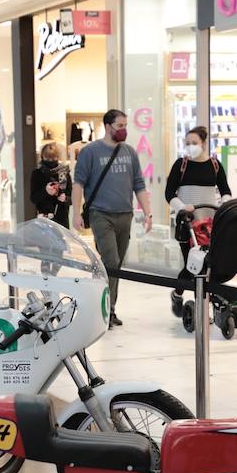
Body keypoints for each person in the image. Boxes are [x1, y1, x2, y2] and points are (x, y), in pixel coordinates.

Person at [72, 109, 153, 327]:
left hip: (125, 215)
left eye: (126, 126)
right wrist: (76, 212)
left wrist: (147, 213)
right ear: (108, 127)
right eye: (120, 126)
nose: (124, 130)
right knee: (111, 261)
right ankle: (105, 311)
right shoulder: (91, 152)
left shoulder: (129, 152)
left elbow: (139, 185)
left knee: (116, 266)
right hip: (100, 214)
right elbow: (78, 183)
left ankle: (109, 307)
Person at [165, 126, 232, 299]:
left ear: (203, 143)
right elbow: (169, 193)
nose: (190, 146)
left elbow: (225, 191)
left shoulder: (215, 165)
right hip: (187, 223)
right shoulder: (181, 165)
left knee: (208, 265)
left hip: (210, 224)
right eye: (187, 143)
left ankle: (203, 305)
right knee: (192, 264)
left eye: (194, 143)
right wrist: (181, 206)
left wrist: (223, 205)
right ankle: (179, 293)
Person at [30, 142, 71, 227]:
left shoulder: (64, 173)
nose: (51, 161)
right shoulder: (37, 173)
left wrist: (65, 198)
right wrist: (45, 191)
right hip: (43, 219)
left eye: (53, 158)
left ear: (58, 157)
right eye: (47, 159)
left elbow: (71, 197)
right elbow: (33, 198)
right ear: (42, 157)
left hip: (61, 219)